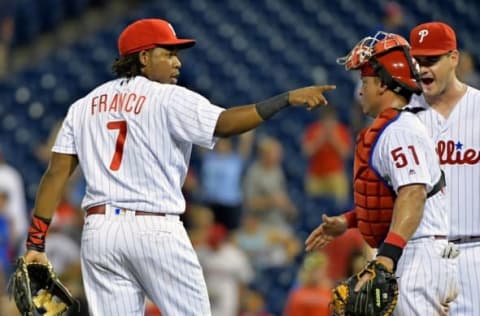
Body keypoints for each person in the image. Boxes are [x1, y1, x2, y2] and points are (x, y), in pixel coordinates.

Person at [20, 18, 335, 316]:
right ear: (144, 57)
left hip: (99, 233)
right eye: (168, 53)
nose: (177, 62)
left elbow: (56, 173)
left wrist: (35, 243)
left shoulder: (83, 105)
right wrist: (286, 98)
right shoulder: (168, 97)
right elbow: (225, 124)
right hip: (154, 228)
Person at [305, 32, 458, 315]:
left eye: (365, 82)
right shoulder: (395, 128)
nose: (361, 91)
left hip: (417, 253)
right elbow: (394, 196)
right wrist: (349, 220)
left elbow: (413, 194)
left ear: (384, 86)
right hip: (410, 249)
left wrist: (387, 258)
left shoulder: (401, 131)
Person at [408, 21, 480, 316]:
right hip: (420, 258)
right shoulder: (403, 118)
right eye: (418, 61)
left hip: (474, 254)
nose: (424, 68)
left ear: (454, 58)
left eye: (432, 60)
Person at [301, 107, 352, 206]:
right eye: (326, 120)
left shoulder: (341, 130)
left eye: (331, 120)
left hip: (335, 174)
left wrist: (334, 140)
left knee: (341, 204)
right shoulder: (313, 130)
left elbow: (346, 154)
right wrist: (320, 140)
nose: (328, 123)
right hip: (315, 175)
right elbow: (306, 152)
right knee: (311, 205)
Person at [283, 252, 332, 316]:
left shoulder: (329, 293)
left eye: (319, 269)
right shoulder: (297, 293)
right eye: (314, 269)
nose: (317, 273)